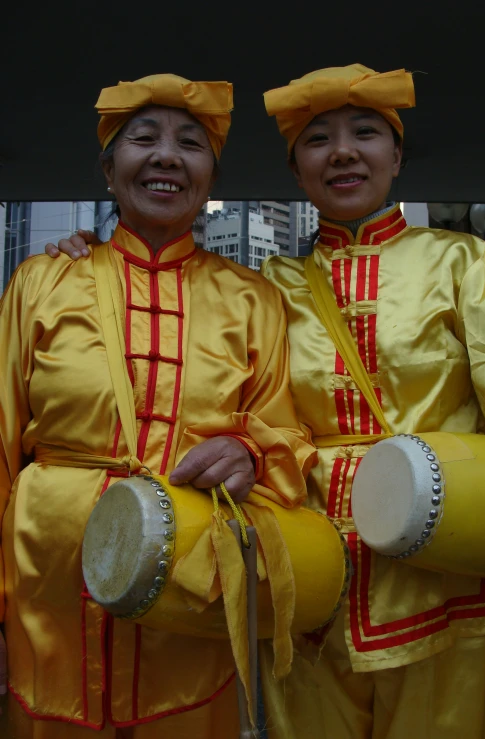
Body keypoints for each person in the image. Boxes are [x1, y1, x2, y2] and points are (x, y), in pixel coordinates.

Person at [46, 63, 485, 738]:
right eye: (318, 140)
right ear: (296, 170)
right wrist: (89, 257)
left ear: (396, 156)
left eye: (365, 133)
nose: (343, 151)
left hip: (445, 574)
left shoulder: (461, 264)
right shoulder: (265, 288)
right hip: (307, 579)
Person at [0, 73, 315, 738]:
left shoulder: (252, 297)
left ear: (210, 175)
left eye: (190, 145)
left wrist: (250, 451)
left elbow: (288, 436)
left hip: (191, 592)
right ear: (109, 168)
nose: (167, 156)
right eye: (144, 139)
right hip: (48, 590)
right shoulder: (40, 280)